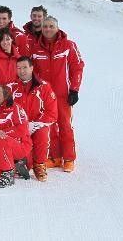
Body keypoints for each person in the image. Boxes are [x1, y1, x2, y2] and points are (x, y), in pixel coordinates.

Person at [28, 16, 83, 172]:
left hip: (63, 94)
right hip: (45, 95)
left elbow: (78, 67)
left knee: (65, 125)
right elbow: (33, 72)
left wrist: (74, 89)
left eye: (51, 26)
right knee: (49, 126)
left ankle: (69, 158)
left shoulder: (68, 46)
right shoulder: (35, 47)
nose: (48, 29)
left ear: (57, 28)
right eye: (45, 26)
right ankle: (55, 157)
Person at [7, 57, 58, 181]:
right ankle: (21, 162)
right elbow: (5, 111)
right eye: (18, 68)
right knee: (26, 163)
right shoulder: (10, 88)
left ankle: (40, 165)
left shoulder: (44, 87)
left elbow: (52, 113)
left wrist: (35, 124)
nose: (22, 71)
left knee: (43, 132)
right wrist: (20, 125)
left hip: (36, 126)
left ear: (31, 68)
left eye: (25, 67)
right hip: (19, 128)